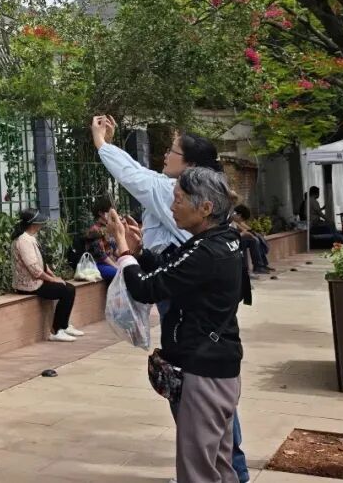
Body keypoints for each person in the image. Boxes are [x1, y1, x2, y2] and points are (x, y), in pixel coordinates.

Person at [91, 114, 250, 483]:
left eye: (178, 201)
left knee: (198, 460)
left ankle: (236, 471)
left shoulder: (203, 248)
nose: (173, 205)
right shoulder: (219, 240)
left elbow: (147, 287)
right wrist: (142, 253)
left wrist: (125, 252)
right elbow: (171, 265)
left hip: (202, 360)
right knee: (217, 452)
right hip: (215, 353)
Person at [11, 208, 86, 341]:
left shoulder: (30, 238)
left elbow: (42, 262)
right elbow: (34, 269)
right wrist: (51, 280)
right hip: (29, 285)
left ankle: (63, 325)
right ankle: (56, 331)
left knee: (69, 288)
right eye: (39, 222)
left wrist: (53, 276)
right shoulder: (23, 241)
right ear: (33, 224)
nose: (41, 224)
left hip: (37, 281)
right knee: (65, 291)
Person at [84, 195, 121, 281]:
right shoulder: (94, 230)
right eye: (110, 211)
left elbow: (115, 249)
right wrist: (116, 266)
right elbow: (100, 255)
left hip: (110, 261)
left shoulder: (108, 227)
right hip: (99, 264)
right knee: (118, 273)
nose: (114, 214)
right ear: (101, 213)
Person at [232, 205, 273, 275]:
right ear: (239, 215)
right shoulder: (229, 218)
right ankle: (255, 267)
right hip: (231, 242)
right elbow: (231, 236)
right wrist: (243, 233)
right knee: (253, 240)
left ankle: (261, 265)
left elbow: (240, 224)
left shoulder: (234, 216)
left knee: (256, 238)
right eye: (242, 219)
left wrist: (252, 231)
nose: (241, 221)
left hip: (236, 239)